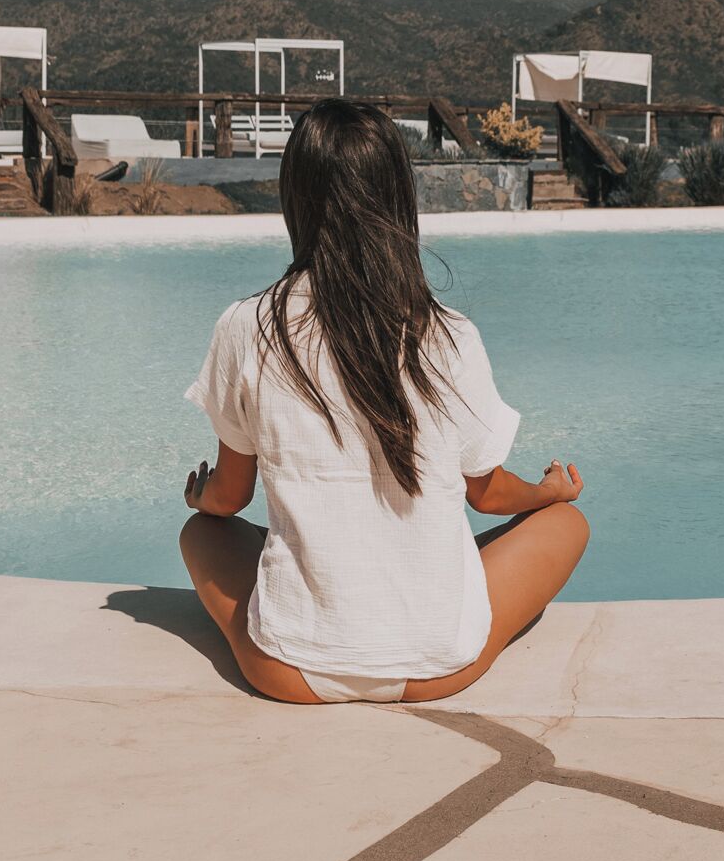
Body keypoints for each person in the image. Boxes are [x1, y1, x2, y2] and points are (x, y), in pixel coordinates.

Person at [177, 99, 590, 703]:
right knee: (567, 524)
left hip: (291, 671)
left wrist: (200, 496)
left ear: (296, 195)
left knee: (200, 534)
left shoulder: (248, 327)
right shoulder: (448, 335)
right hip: (436, 666)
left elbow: (231, 496)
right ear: (399, 197)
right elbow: (488, 494)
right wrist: (547, 492)